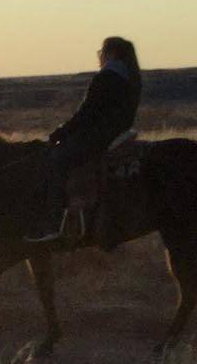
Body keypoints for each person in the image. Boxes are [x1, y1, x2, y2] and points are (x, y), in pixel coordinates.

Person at [28, 36, 142, 243]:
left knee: (56, 160)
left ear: (111, 53)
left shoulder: (106, 77)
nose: (99, 56)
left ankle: (53, 223)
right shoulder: (130, 76)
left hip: (99, 136)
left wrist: (60, 133)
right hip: (116, 133)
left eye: (102, 52)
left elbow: (86, 113)